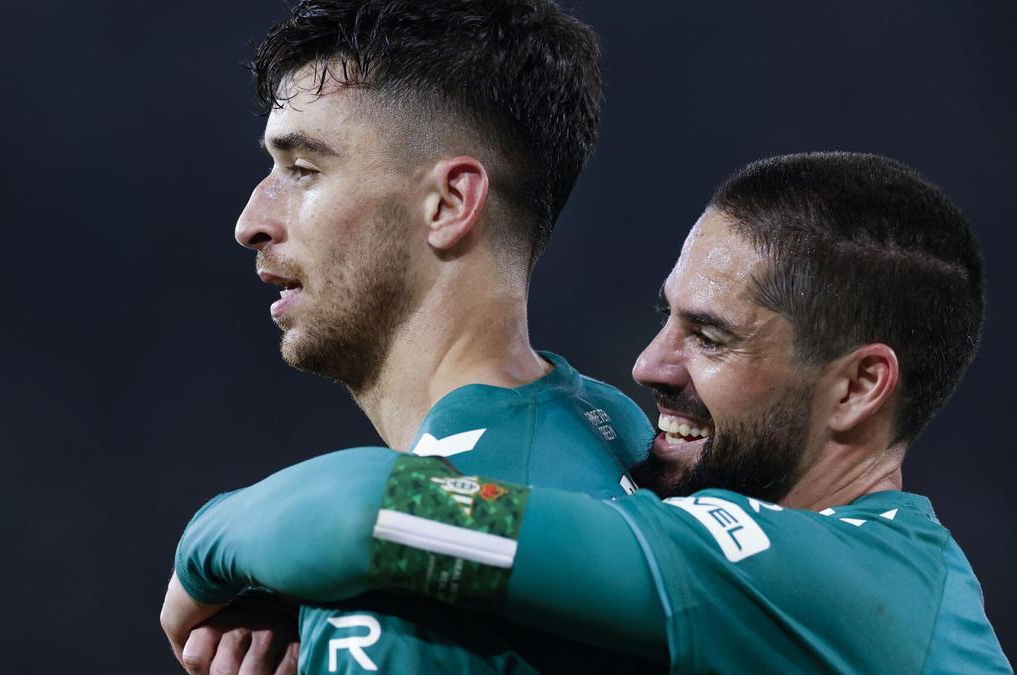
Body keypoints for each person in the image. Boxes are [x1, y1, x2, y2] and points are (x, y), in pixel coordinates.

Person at [163, 152, 1013, 673]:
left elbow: (375, 516)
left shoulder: (821, 581)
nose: (651, 364)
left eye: (710, 337)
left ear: (861, 387)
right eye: (665, 316)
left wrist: (202, 559)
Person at [166, 0, 658, 673]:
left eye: (302, 169)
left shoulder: (400, 591)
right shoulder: (617, 429)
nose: (251, 220)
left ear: (451, 203)